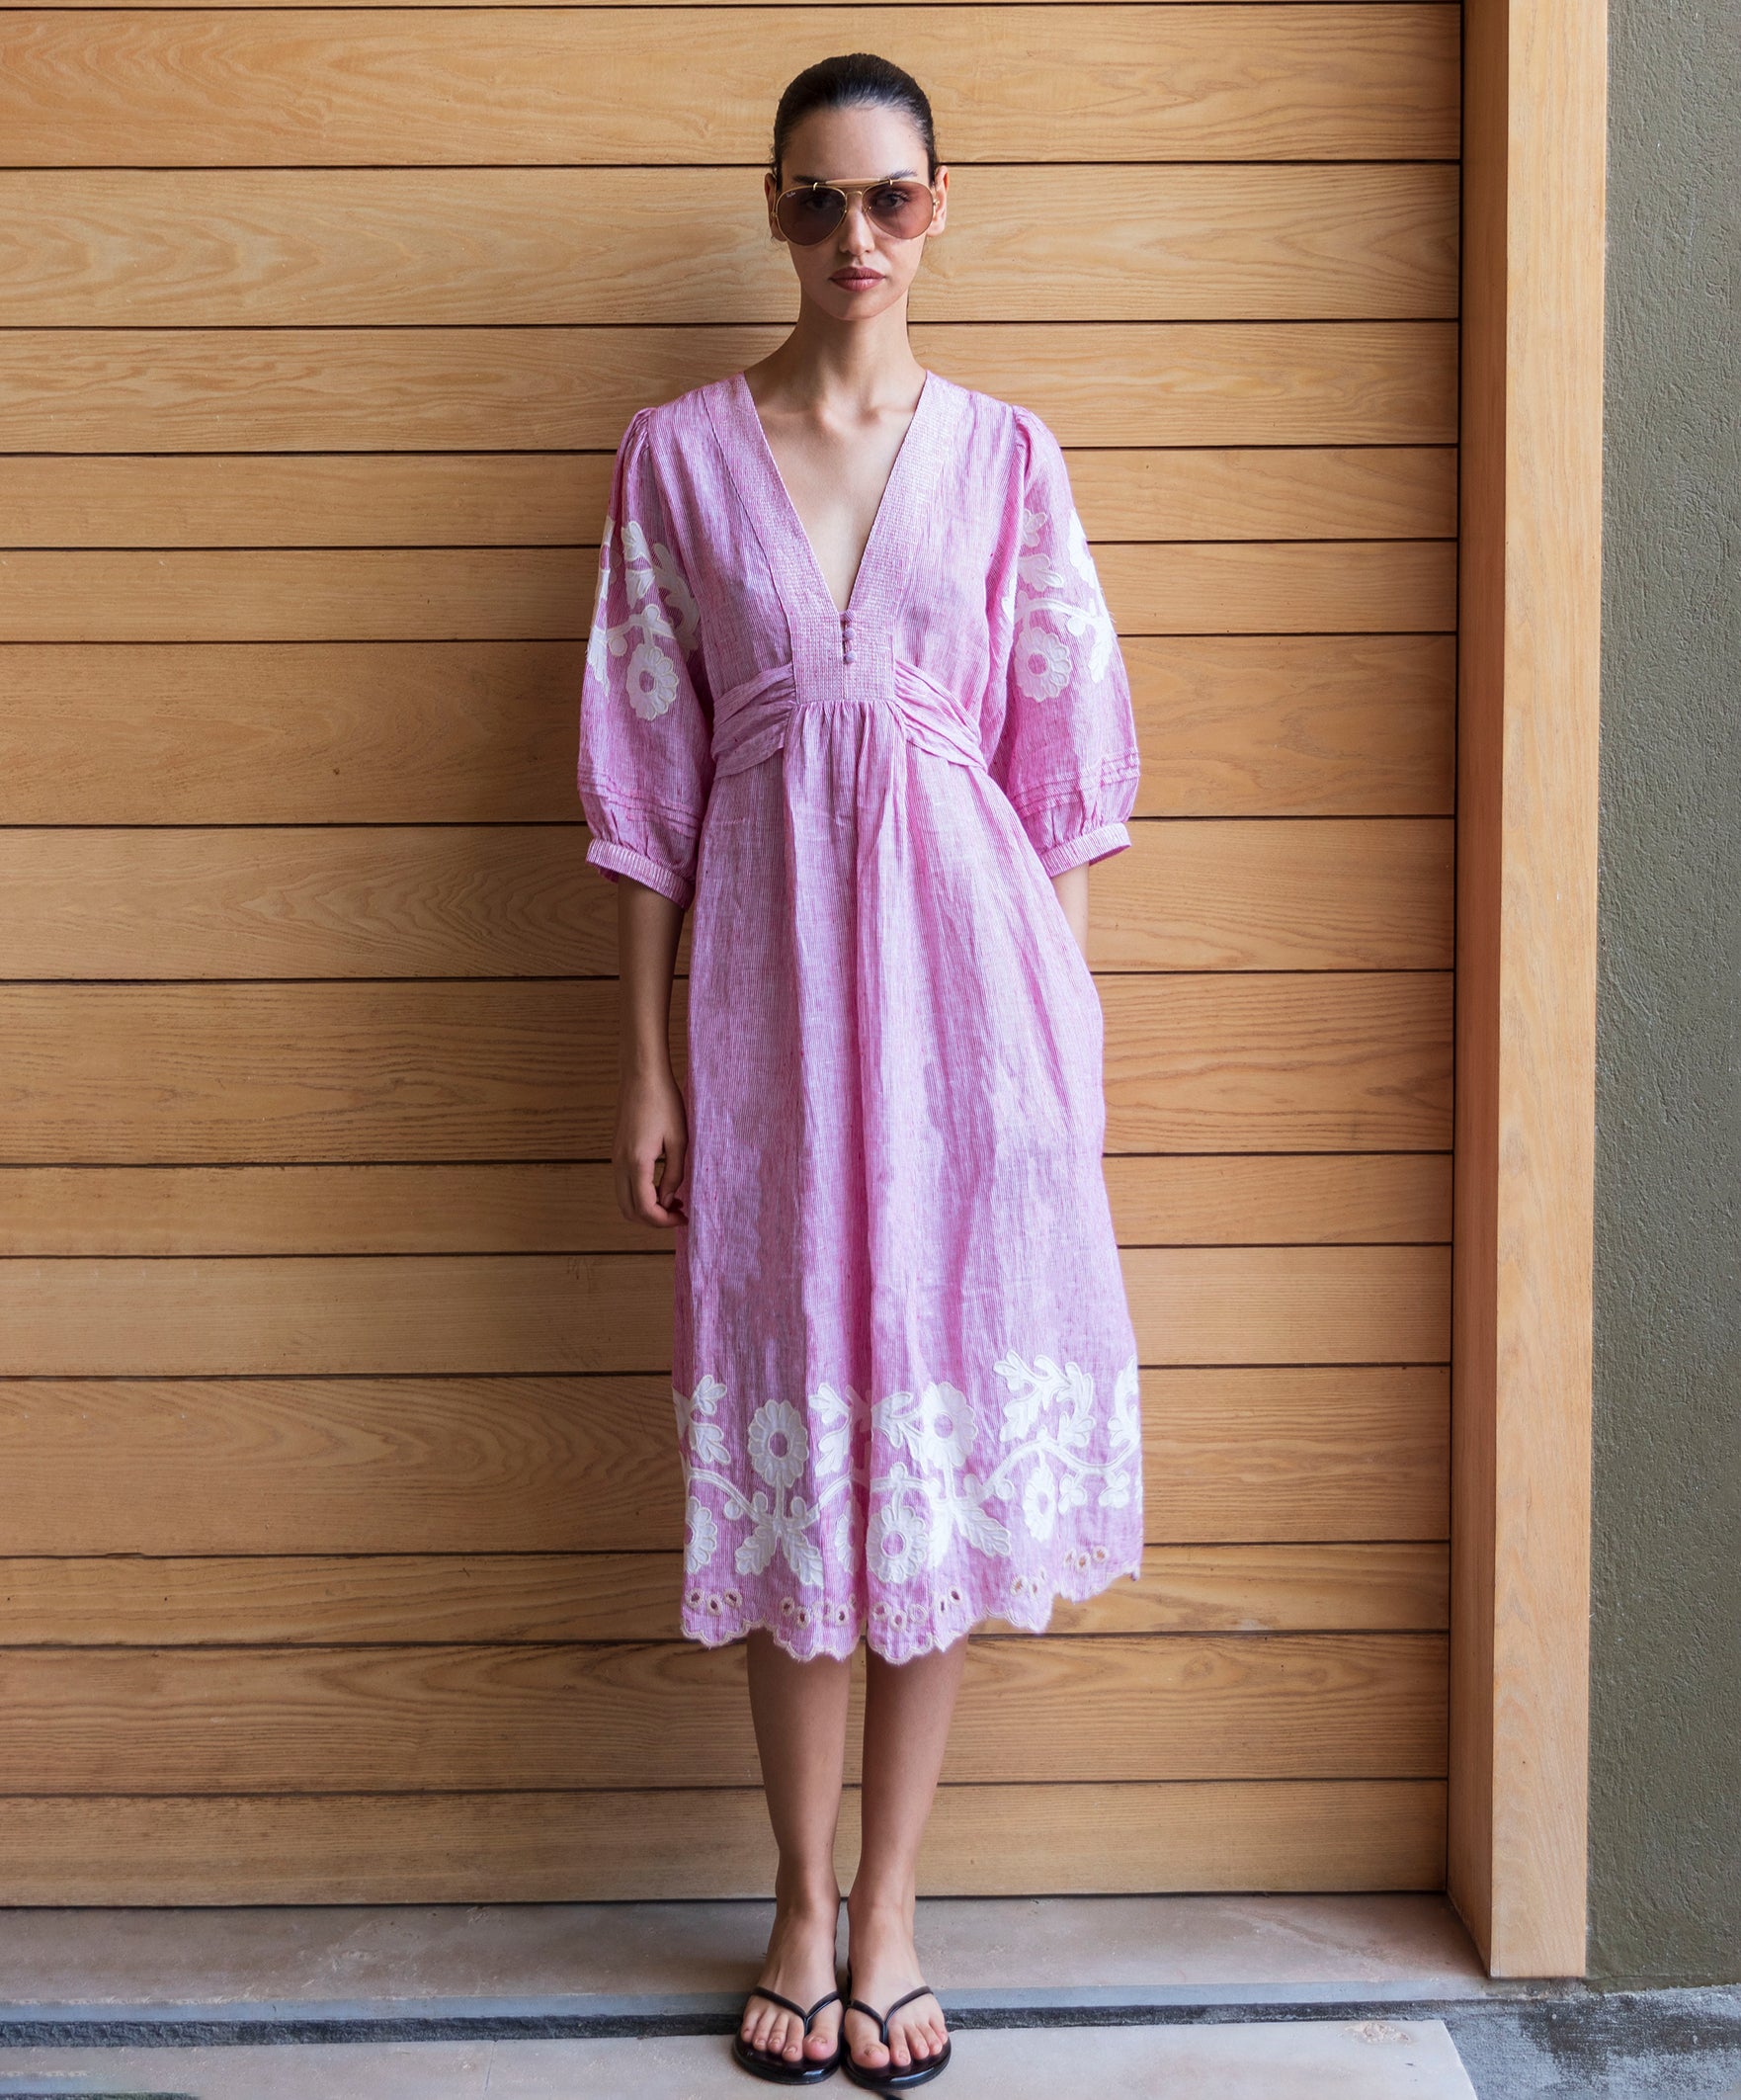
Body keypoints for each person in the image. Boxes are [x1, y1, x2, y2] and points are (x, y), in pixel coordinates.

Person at [576, 51, 1143, 2091]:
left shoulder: (1006, 459)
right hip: (758, 1024)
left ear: (936, 207)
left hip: (972, 1025)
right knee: (798, 1455)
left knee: (934, 1452)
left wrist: (1057, 1071)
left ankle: (894, 1906)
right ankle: (796, 1900)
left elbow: (1062, 785)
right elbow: (638, 788)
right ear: (772, 211)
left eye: (889, 201)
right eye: (817, 204)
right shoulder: (673, 458)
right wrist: (643, 1065)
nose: (855, 243)